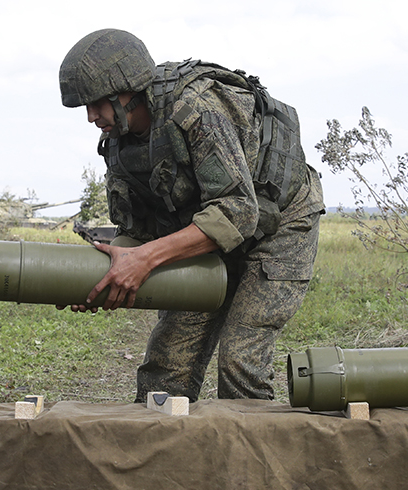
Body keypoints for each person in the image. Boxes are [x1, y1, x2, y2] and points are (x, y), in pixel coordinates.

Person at [59, 29, 324, 403]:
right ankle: (162, 457)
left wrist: (146, 260)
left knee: (240, 358)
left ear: (127, 91)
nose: (91, 117)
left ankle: (249, 458)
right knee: (167, 363)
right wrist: (100, 280)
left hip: (279, 225)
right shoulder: (120, 143)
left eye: (97, 103)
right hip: (205, 233)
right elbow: (135, 231)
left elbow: (237, 211)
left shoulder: (196, 109)